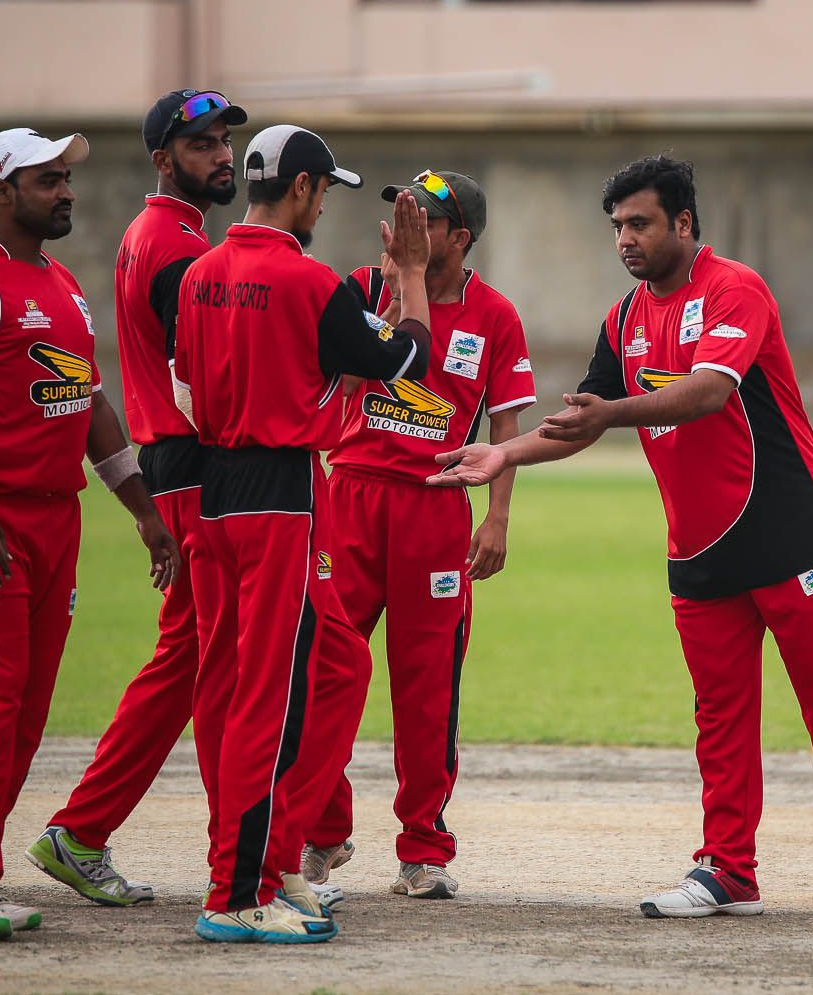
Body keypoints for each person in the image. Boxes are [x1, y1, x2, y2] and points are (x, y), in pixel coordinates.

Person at [430, 155, 813, 918]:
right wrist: (506, 453)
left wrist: (613, 412)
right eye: (617, 226)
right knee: (719, 719)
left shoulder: (734, 289)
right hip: (697, 551)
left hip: (789, 536)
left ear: (684, 223)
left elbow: (709, 392)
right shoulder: (623, 320)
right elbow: (581, 421)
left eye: (640, 223)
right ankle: (729, 869)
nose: (625, 238)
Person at [0, 127, 179, 941]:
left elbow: (87, 402)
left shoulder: (63, 284)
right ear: (0, 190)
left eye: (66, 178)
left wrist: (143, 510)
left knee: (24, 710)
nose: (66, 192)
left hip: (56, 518)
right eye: (47, 180)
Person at [174, 124, 434, 943]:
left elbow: (189, 385)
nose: (323, 205)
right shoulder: (311, 280)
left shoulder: (201, 272)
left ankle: (270, 860)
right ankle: (236, 889)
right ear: (300, 189)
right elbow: (409, 360)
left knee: (298, 672)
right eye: (323, 191)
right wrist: (413, 275)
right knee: (269, 697)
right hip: (280, 494)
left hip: (215, 489)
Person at [26, 89, 247, 907]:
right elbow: (203, 376)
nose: (221, 155)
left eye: (224, 142)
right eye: (201, 144)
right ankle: (242, 860)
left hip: (175, 466)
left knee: (192, 656)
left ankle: (84, 830)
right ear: (163, 159)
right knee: (214, 661)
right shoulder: (177, 248)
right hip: (195, 464)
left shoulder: (156, 233)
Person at [300, 170, 536, 901]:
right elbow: (327, 379)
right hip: (351, 499)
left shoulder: (494, 315)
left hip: (435, 511)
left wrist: (497, 516)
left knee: (427, 686)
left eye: (423, 219)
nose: (404, 227)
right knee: (321, 670)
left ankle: (424, 849)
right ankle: (321, 829)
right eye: (401, 212)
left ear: (459, 238)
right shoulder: (360, 289)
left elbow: (506, 424)